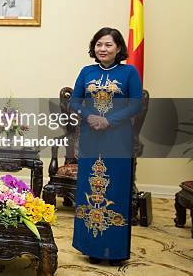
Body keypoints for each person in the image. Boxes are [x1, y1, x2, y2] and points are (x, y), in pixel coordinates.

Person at [70, 27, 143, 265]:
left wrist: (109, 120)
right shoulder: (86, 71)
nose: (103, 49)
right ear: (94, 47)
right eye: (99, 44)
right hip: (91, 138)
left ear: (119, 48)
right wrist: (89, 116)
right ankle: (91, 246)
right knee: (90, 188)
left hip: (118, 138)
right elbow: (74, 101)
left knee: (115, 188)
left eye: (108, 45)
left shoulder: (129, 72)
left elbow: (135, 105)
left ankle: (114, 250)